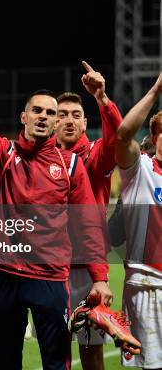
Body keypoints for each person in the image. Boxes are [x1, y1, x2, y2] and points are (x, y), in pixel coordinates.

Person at [0, 64, 112, 370]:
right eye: (37, 110)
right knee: (5, 363)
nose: (44, 116)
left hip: (49, 279)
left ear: (56, 121)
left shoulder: (70, 165)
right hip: (6, 276)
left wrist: (100, 278)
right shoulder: (3, 155)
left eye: (51, 113)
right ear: (25, 117)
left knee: (56, 364)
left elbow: (87, 225)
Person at [54, 61, 123, 370]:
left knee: (91, 352)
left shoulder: (95, 155)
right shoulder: (42, 159)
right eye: (62, 114)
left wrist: (102, 99)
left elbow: (116, 140)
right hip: (50, 268)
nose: (69, 120)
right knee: (54, 349)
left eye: (76, 115)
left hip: (86, 269)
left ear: (84, 124)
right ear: (53, 122)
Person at [115, 72, 162, 369]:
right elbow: (122, 135)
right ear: (155, 137)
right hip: (148, 286)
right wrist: (156, 90)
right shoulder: (141, 170)